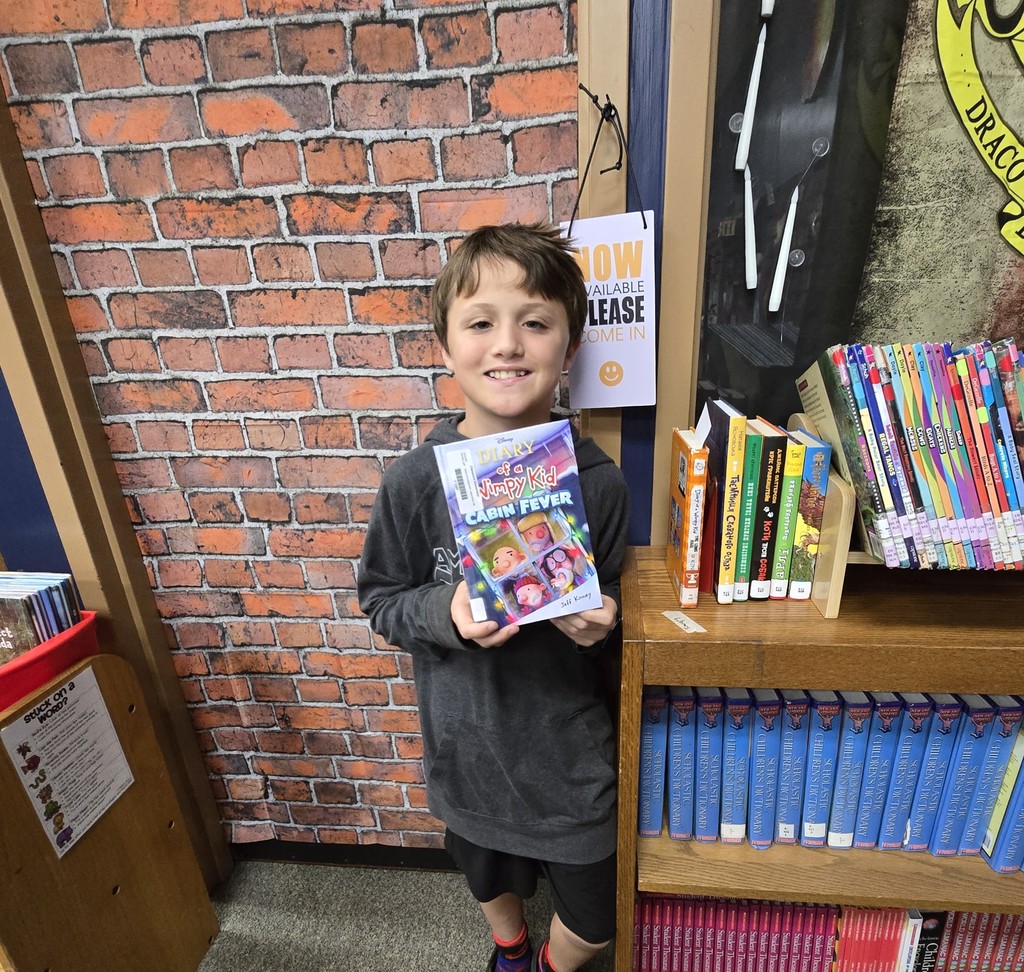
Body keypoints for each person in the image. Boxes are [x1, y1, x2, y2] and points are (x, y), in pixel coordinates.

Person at [357, 223, 629, 972]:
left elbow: (614, 614)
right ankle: (509, 948)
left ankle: (548, 964)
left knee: (597, 918)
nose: (508, 344)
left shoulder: (597, 481)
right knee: (484, 874)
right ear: (446, 348)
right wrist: (442, 611)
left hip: (571, 763)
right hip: (467, 754)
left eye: (535, 322)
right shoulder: (413, 482)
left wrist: (601, 625)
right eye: (480, 323)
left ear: (568, 349)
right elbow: (381, 599)